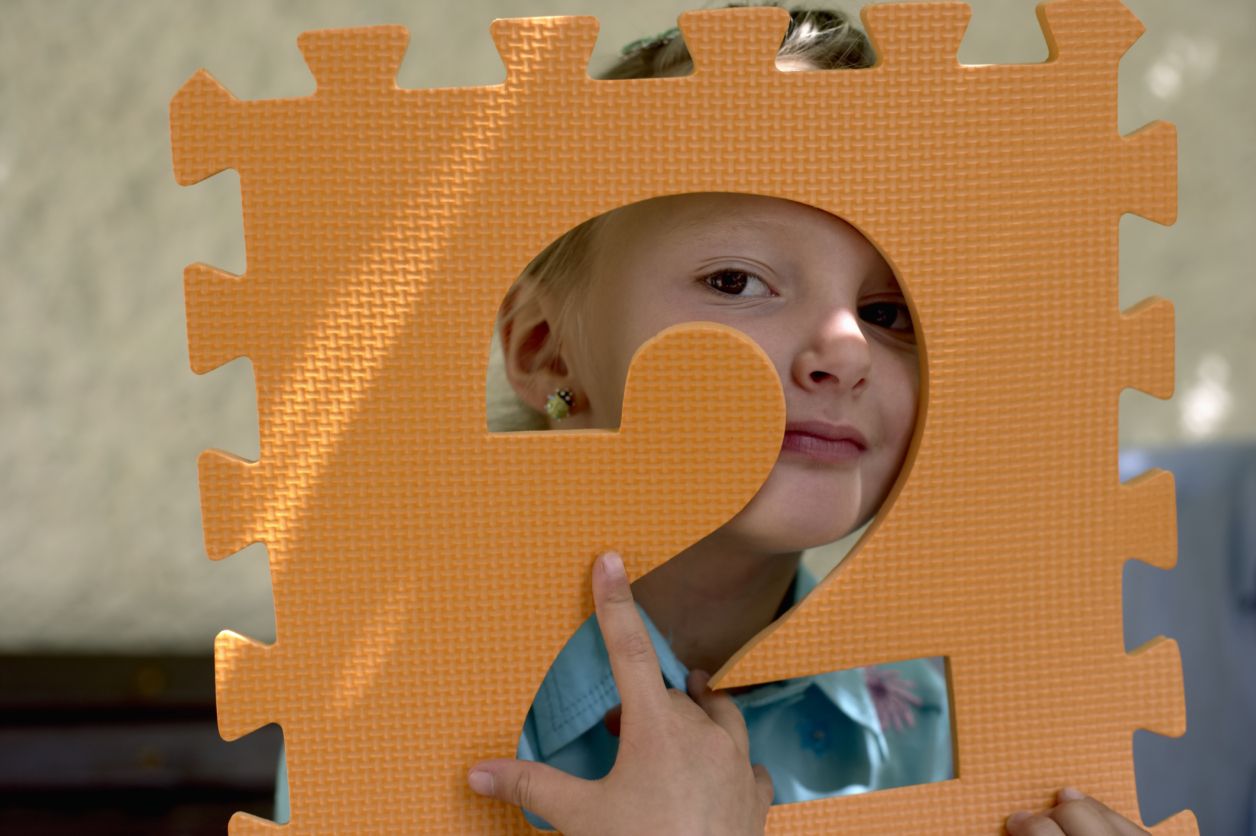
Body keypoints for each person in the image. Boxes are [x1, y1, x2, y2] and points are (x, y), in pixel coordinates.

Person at [466, 6, 1157, 835]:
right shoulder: (415, 695)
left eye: (889, 312)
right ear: (548, 353)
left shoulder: (943, 727)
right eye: (734, 281)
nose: (846, 350)